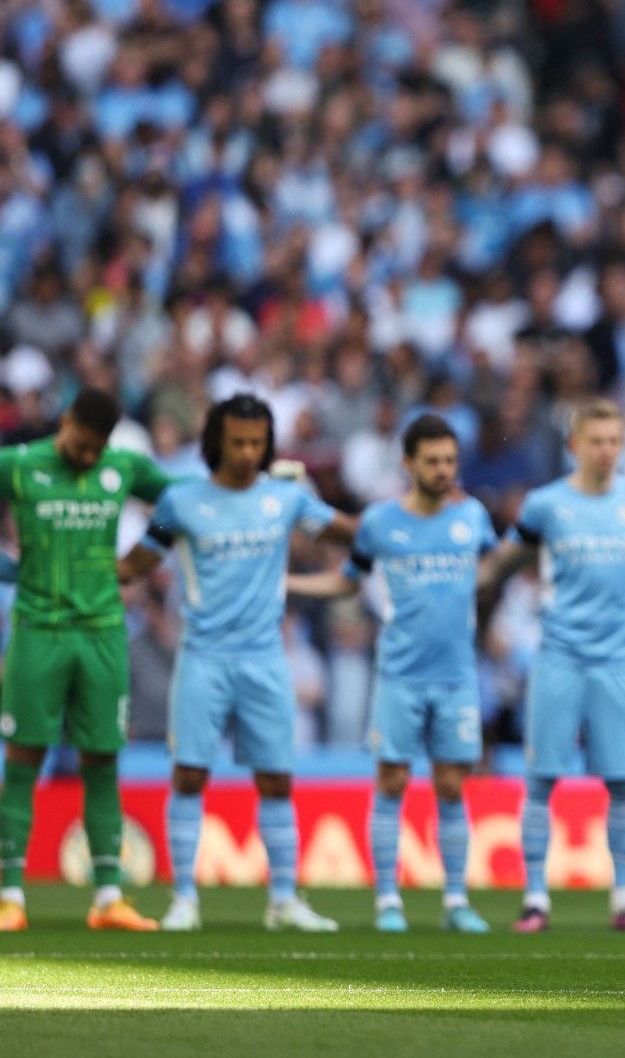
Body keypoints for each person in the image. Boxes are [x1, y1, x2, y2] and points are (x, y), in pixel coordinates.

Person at [118, 394, 357, 933]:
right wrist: (81, 565)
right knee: (189, 774)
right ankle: (184, 899)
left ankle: (284, 900)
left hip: (265, 658)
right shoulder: (181, 502)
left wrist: (404, 519)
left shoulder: (286, 498)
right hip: (203, 657)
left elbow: (351, 534)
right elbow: (135, 564)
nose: (248, 453)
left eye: (257, 443)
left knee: (276, 778)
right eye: (238, 443)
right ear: (216, 444)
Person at [287, 414, 495, 934]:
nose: (443, 470)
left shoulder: (473, 517)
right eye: (433, 461)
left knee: (452, 784)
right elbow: (347, 580)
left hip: (457, 676)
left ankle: (456, 901)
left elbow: (493, 571)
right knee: (392, 780)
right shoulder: (381, 522)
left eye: (450, 460)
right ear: (408, 464)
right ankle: (387, 900)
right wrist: (291, 584)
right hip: (400, 675)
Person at [483, 399, 625, 933]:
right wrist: (468, 582)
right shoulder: (545, 505)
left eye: (614, 441)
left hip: (618, 659)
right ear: (574, 446)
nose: (607, 451)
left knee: (623, 782)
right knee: (542, 779)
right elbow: (507, 559)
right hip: (560, 655)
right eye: (596, 441)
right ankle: (535, 900)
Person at [0, 387, 172, 933]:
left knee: (102, 760)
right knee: (23, 759)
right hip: (39, 630)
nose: (89, 456)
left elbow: (182, 503)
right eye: (82, 445)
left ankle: (108, 899)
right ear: (66, 421)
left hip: (101, 632)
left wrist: (145, 556)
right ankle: (8, 897)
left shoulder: (123, 467)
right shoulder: (20, 465)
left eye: (98, 448)